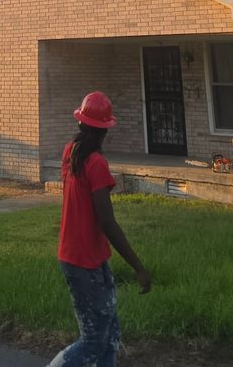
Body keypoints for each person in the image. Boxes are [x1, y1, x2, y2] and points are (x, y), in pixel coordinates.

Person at [48, 91, 151, 367]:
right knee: (93, 340)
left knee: (110, 333)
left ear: (81, 123)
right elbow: (107, 222)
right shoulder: (95, 164)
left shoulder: (71, 152)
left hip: (89, 257)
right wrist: (138, 267)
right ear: (105, 130)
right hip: (81, 261)